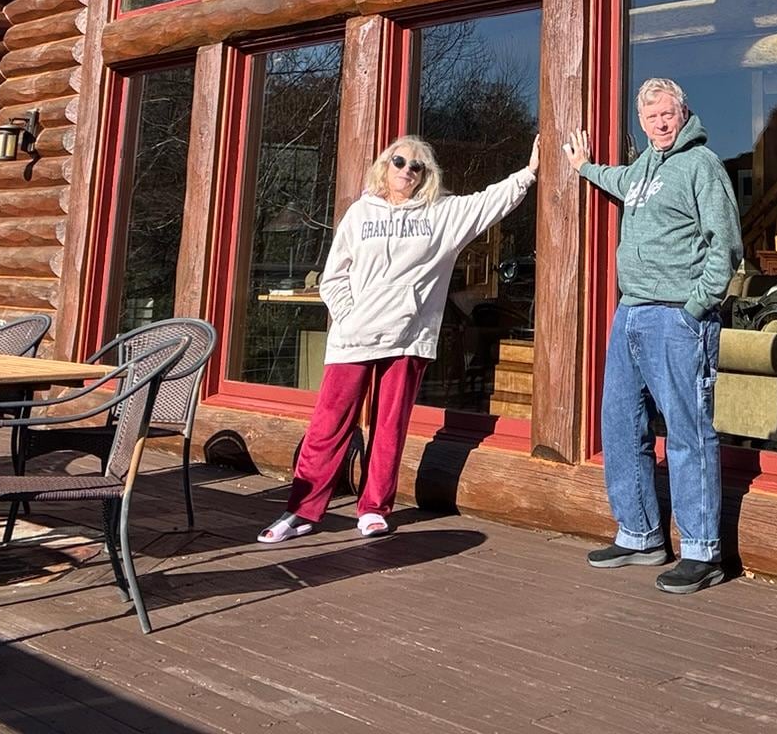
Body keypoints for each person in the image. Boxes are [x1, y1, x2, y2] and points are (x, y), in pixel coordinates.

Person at [258, 132, 539, 544]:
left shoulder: (441, 215)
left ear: (426, 175)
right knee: (328, 425)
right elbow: (334, 275)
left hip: (408, 336)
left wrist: (528, 173)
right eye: (399, 162)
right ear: (385, 166)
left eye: (417, 167)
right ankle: (301, 510)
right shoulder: (360, 213)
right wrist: (349, 316)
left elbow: (487, 202)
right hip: (353, 337)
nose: (407, 171)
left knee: (389, 426)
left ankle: (374, 508)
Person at [562, 77, 741, 594]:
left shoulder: (701, 165)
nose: (660, 123)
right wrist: (584, 167)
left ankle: (702, 550)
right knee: (620, 424)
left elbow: (725, 244)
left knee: (688, 432)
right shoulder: (645, 166)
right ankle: (640, 535)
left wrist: (697, 306)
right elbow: (621, 181)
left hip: (677, 318)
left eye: (667, 114)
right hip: (631, 313)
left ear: (684, 113)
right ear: (641, 123)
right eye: (650, 117)